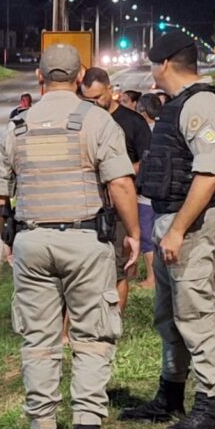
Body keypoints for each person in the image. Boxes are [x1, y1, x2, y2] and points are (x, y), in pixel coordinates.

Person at [0, 44, 140, 429]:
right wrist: (134, 233)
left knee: (39, 337)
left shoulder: (17, 127)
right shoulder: (96, 122)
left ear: (39, 77)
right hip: (84, 242)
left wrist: (9, 239)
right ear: (78, 78)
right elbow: (121, 185)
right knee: (91, 335)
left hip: (31, 243)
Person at [122, 31, 215, 429]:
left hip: (189, 226)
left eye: (152, 63)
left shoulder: (202, 104)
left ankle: (209, 408)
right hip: (170, 220)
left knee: (196, 316)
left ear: (164, 63)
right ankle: (170, 396)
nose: (152, 70)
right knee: (169, 317)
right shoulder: (180, 105)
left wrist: (179, 231)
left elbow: (208, 174)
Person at [80, 68, 152, 314]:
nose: (95, 104)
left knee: (119, 269)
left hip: (119, 206)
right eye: (88, 99)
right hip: (87, 205)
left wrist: (120, 170)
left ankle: (116, 321)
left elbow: (149, 159)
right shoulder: (81, 121)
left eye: (99, 97)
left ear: (111, 91)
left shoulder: (133, 122)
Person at [134, 93, 164, 288]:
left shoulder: (146, 133)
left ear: (143, 112)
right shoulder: (165, 130)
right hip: (162, 192)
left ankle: (152, 280)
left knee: (146, 236)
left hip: (147, 193)